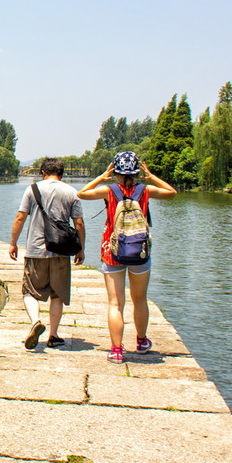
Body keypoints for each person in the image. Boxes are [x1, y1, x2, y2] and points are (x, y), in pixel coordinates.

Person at [77, 151, 177, 364]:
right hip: (140, 251)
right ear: (137, 172)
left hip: (112, 252)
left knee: (115, 304)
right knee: (140, 299)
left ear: (116, 172)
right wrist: (151, 177)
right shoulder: (145, 190)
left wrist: (102, 177)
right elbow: (171, 192)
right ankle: (141, 342)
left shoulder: (109, 190)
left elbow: (82, 194)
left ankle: (116, 350)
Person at [8, 157, 86, 350]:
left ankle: (35, 321)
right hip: (61, 251)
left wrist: (13, 243)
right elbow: (79, 223)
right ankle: (53, 335)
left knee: (29, 291)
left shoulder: (32, 190)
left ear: (42, 172)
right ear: (62, 174)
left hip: (36, 251)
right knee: (57, 294)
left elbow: (20, 218)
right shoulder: (71, 192)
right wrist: (81, 249)